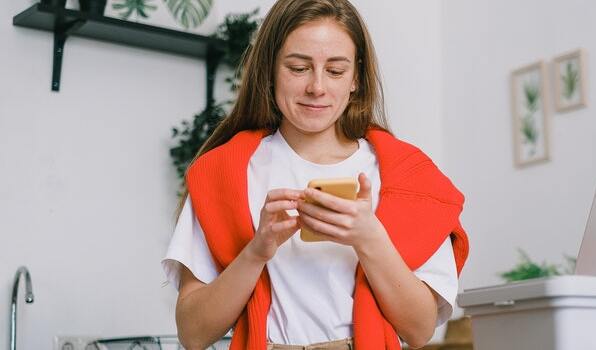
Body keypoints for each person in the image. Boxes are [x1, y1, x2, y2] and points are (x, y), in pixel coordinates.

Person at [161, 0, 469, 349]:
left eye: (336, 71)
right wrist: (256, 252)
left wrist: (369, 239)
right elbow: (193, 333)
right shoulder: (224, 174)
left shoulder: (409, 178)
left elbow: (419, 330)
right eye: (298, 68)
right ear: (270, 70)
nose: (317, 87)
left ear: (356, 78)